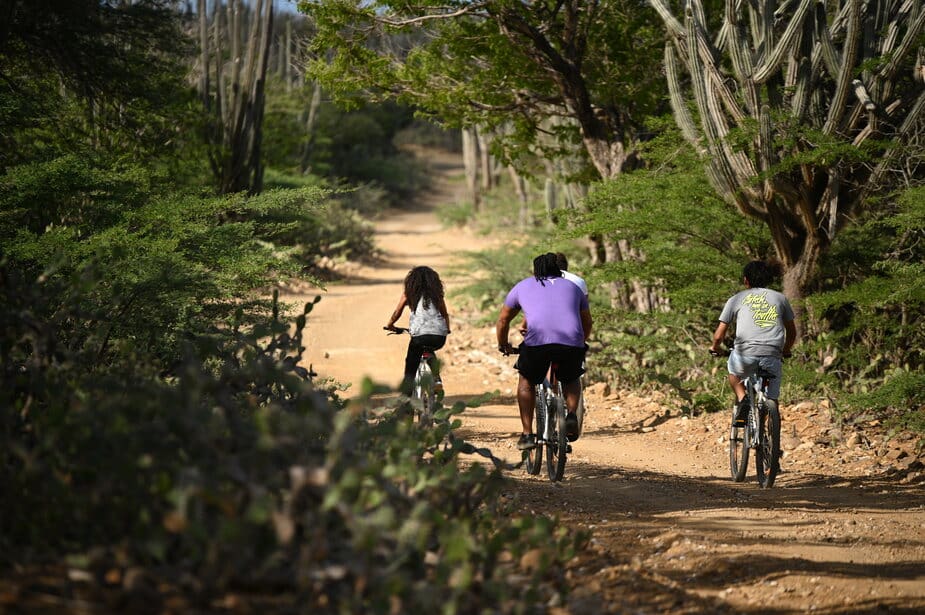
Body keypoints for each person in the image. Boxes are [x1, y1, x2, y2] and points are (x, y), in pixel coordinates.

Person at [497, 253, 592, 450]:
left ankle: (527, 434)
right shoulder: (574, 287)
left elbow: (503, 320)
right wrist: (580, 342)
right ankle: (572, 415)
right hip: (571, 343)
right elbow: (587, 321)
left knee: (526, 381)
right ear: (559, 269)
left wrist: (503, 344)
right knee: (571, 377)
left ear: (536, 269)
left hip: (537, 344)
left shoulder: (523, 286)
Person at [709, 260, 797, 426]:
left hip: (745, 354)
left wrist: (715, 348)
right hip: (772, 355)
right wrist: (785, 350)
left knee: (734, 374)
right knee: (772, 398)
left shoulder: (736, 299)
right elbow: (792, 333)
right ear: (769, 279)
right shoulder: (781, 298)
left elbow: (718, 335)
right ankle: (770, 439)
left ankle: (743, 400)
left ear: (746, 280)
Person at [385, 266, 451, 395]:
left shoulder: (409, 293)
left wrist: (390, 324)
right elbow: (445, 314)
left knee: (411, 365)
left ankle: (407, 406)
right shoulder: (437, 294)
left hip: (419, 336)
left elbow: (397, 312)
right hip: (439, 336)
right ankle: (437, 379)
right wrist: (447, 329)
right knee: (429, 349)